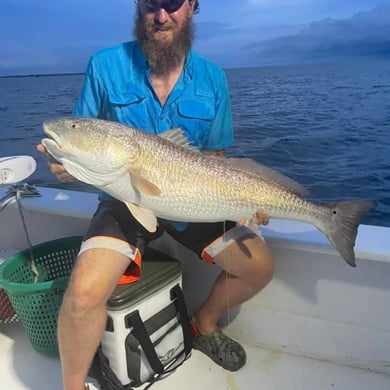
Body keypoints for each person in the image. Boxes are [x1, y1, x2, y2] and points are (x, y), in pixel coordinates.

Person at [38, 1, 274, 389]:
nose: (161, 16)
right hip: (125, 199)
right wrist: (65, 165)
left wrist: (244, 204)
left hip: (193, 201)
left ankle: (204, 325)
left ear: (193, 7)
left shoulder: (213, 77)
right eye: (151, 4)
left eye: (172, 4)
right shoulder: (105, 64)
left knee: (259, 266)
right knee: (82, 295)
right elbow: (82, 138)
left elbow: (215, 159)